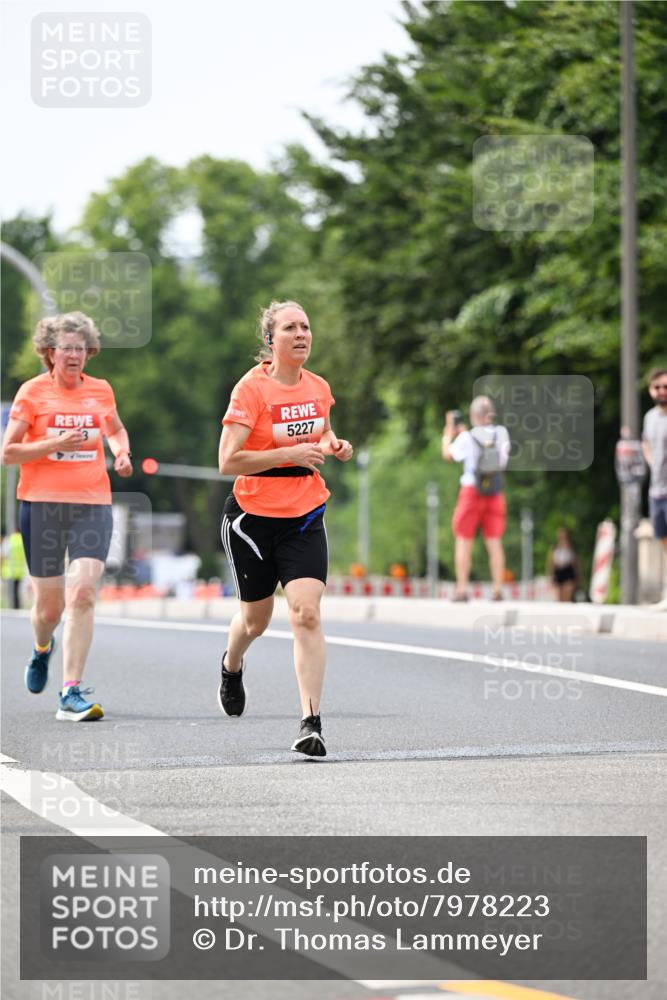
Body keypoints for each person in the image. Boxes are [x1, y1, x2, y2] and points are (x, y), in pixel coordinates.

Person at [217, 300, 353, 756]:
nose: (301, 334)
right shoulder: (250, 390)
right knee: (256, 621)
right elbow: (227, 461)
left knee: (306, 614)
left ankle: (310, 722)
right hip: (253, 519)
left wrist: (334, 445)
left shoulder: (318, 386)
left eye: (306, 327)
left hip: (305, 515)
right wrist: (287, 456)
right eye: (290, 328)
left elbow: (322, 431)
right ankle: (232, 664)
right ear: (270, 340)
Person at [1, 312, 133, 720]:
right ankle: (42, 648)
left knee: (83, 592)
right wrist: (53, 442)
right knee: (49, 610)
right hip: (42, 506)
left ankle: (70, 691)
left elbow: (114, 429)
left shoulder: (101, 390)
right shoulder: (32, 393)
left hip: (91, 504)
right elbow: (8, 452)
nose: (74, 354)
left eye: (80, 347)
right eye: (66, 347)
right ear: (49, 352)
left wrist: (121, 451)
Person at [441, 396, 510, 601]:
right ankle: (497, 589)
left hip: (471, 491)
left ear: (473, 416)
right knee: (494, 541)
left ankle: (462, 589)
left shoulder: (466, 438)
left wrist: (447, 434)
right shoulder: (502, 434)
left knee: (464, 539)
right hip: (495, 491)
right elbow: (503, 461)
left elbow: (448, 455)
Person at [641, 368, 667, 584]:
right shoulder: (649, 417)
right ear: (651, 390)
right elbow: (645, 442)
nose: (662, 391)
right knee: (662, 539)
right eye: (657, 387)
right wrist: (651, 461)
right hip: (656, 490)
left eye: (666, 387)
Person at [547, 527, 580, 602]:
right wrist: (550, 575)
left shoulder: (571, 548)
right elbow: (551, 563)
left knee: (568, 591)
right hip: (558, 570)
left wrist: (577, 576)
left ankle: (567, 605)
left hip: (568, 570)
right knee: (559, 595)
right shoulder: (555, 548)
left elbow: (575, 563)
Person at [1, 530, 27, 608]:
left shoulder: (10, 541)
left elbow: (3, 555)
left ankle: (12, 606)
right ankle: (17, 606)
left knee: (11, 592)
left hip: (10, 571)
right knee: (17, 591)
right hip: (20, 571)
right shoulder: (22, 541)